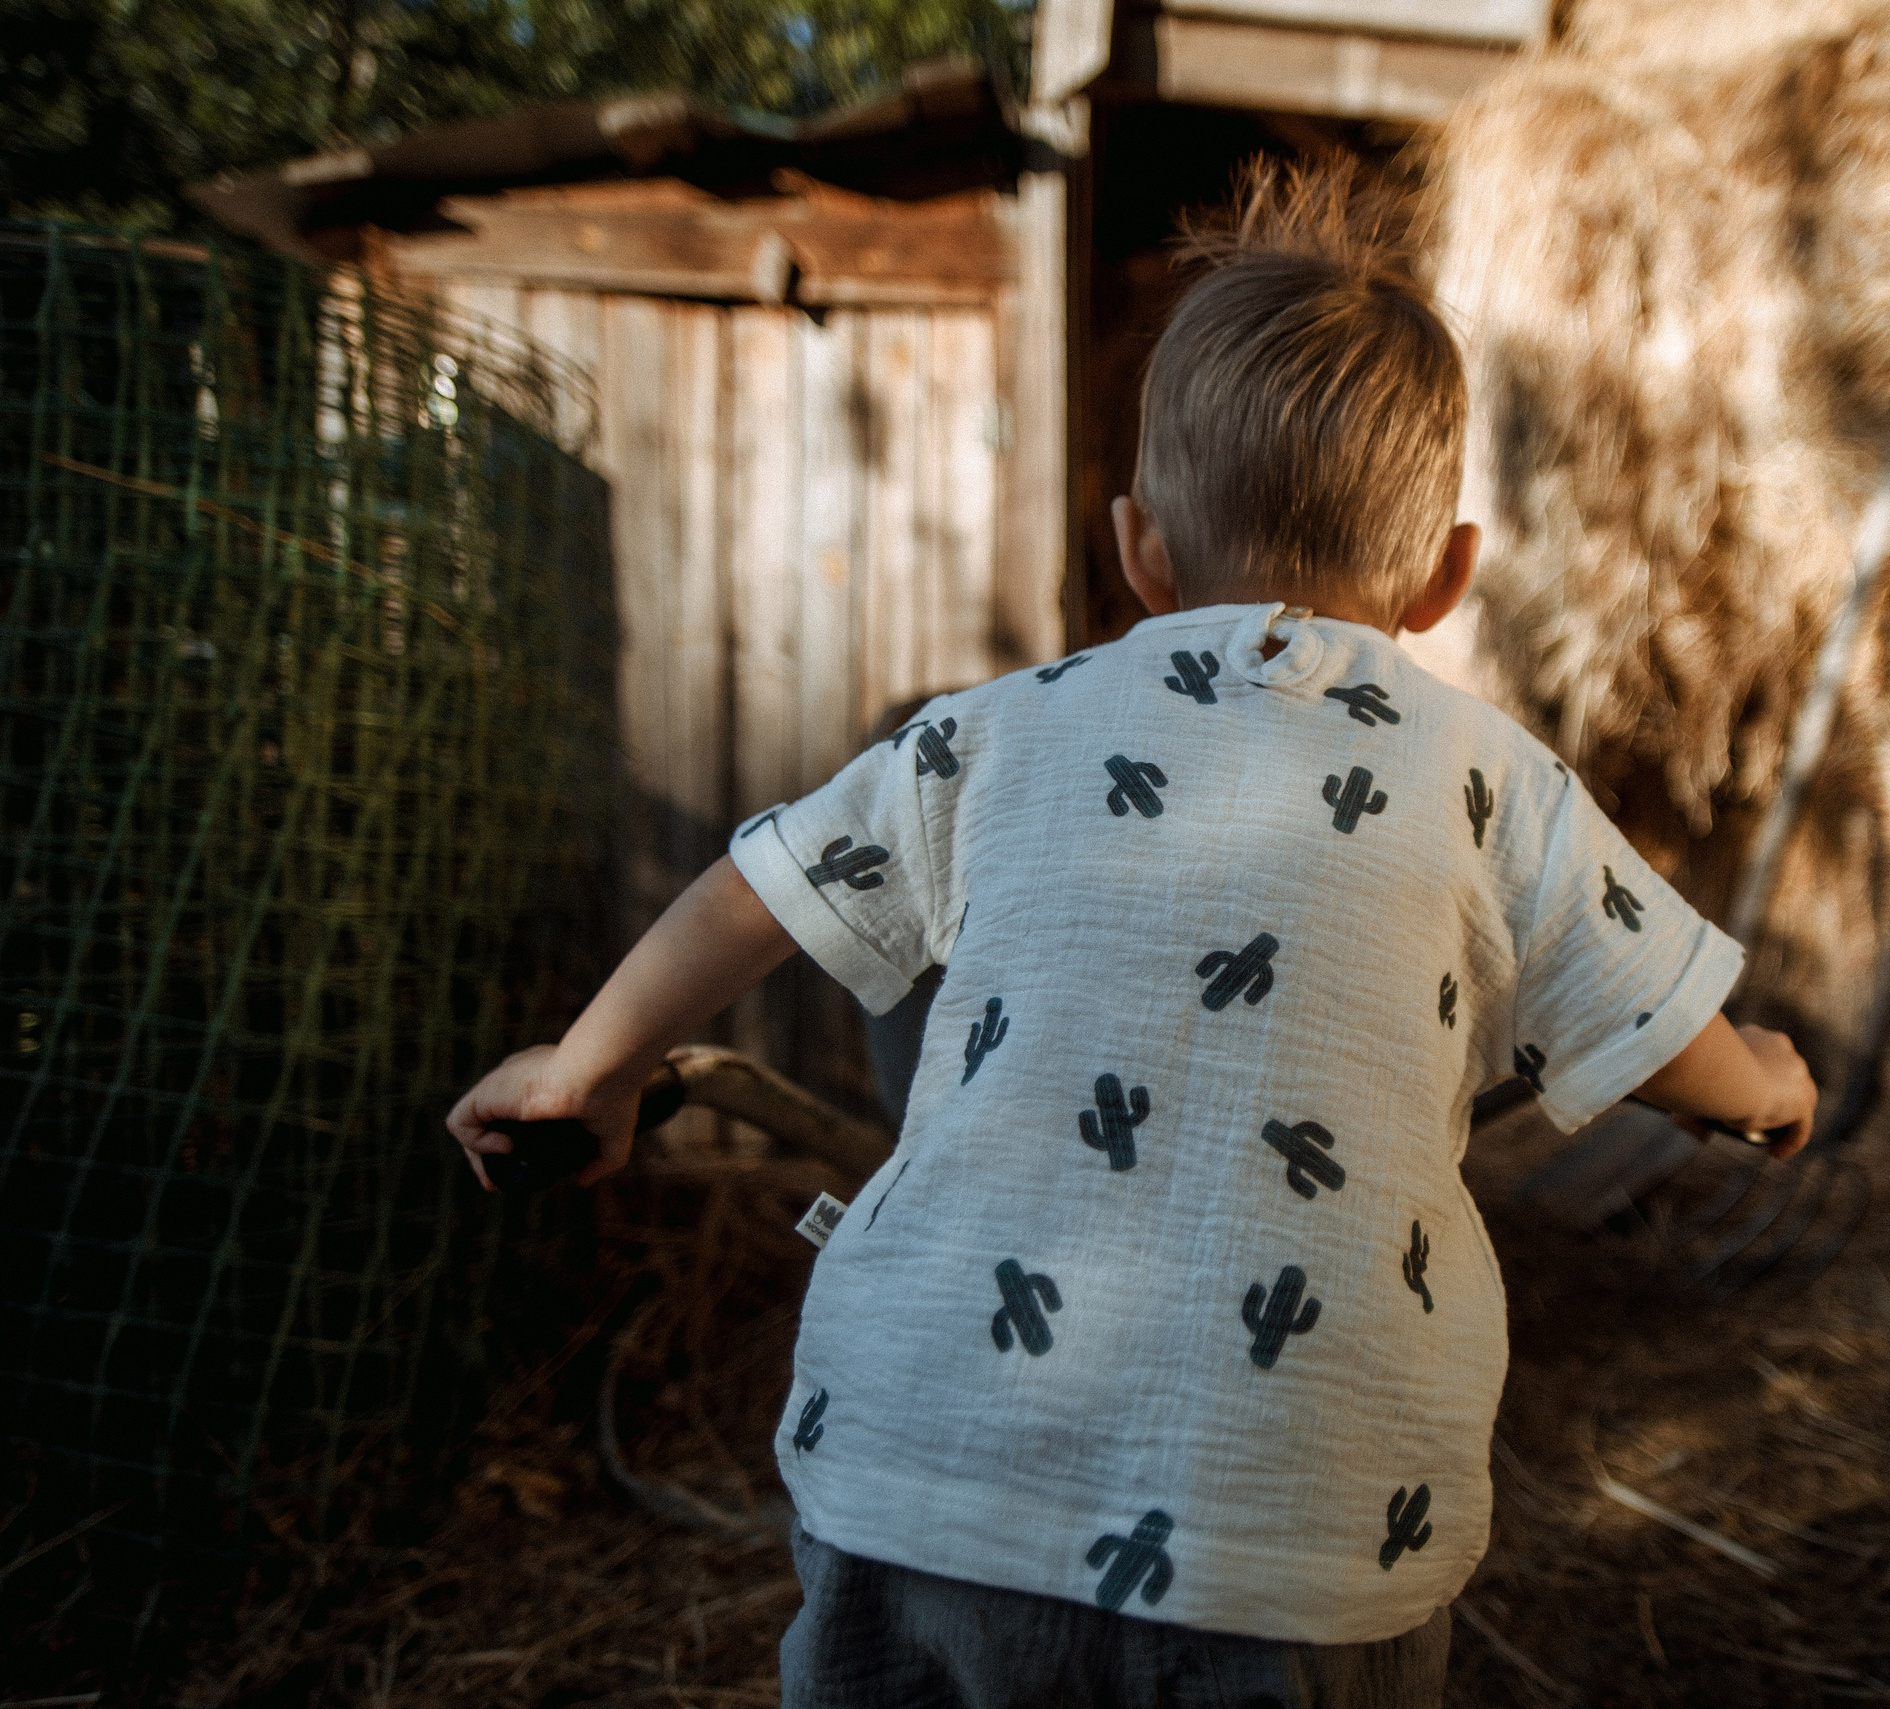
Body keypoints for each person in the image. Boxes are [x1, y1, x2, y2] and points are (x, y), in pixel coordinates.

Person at [448, 157, 1817, 1709]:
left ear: (1138, 550)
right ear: (1445, 578)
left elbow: (751, 888)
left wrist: (590, 1068)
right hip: (1296, 1522)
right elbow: (1659, 1027)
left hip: (925, 1477)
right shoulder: (1494, 780)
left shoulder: (993, 731)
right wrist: (1766, 1081)